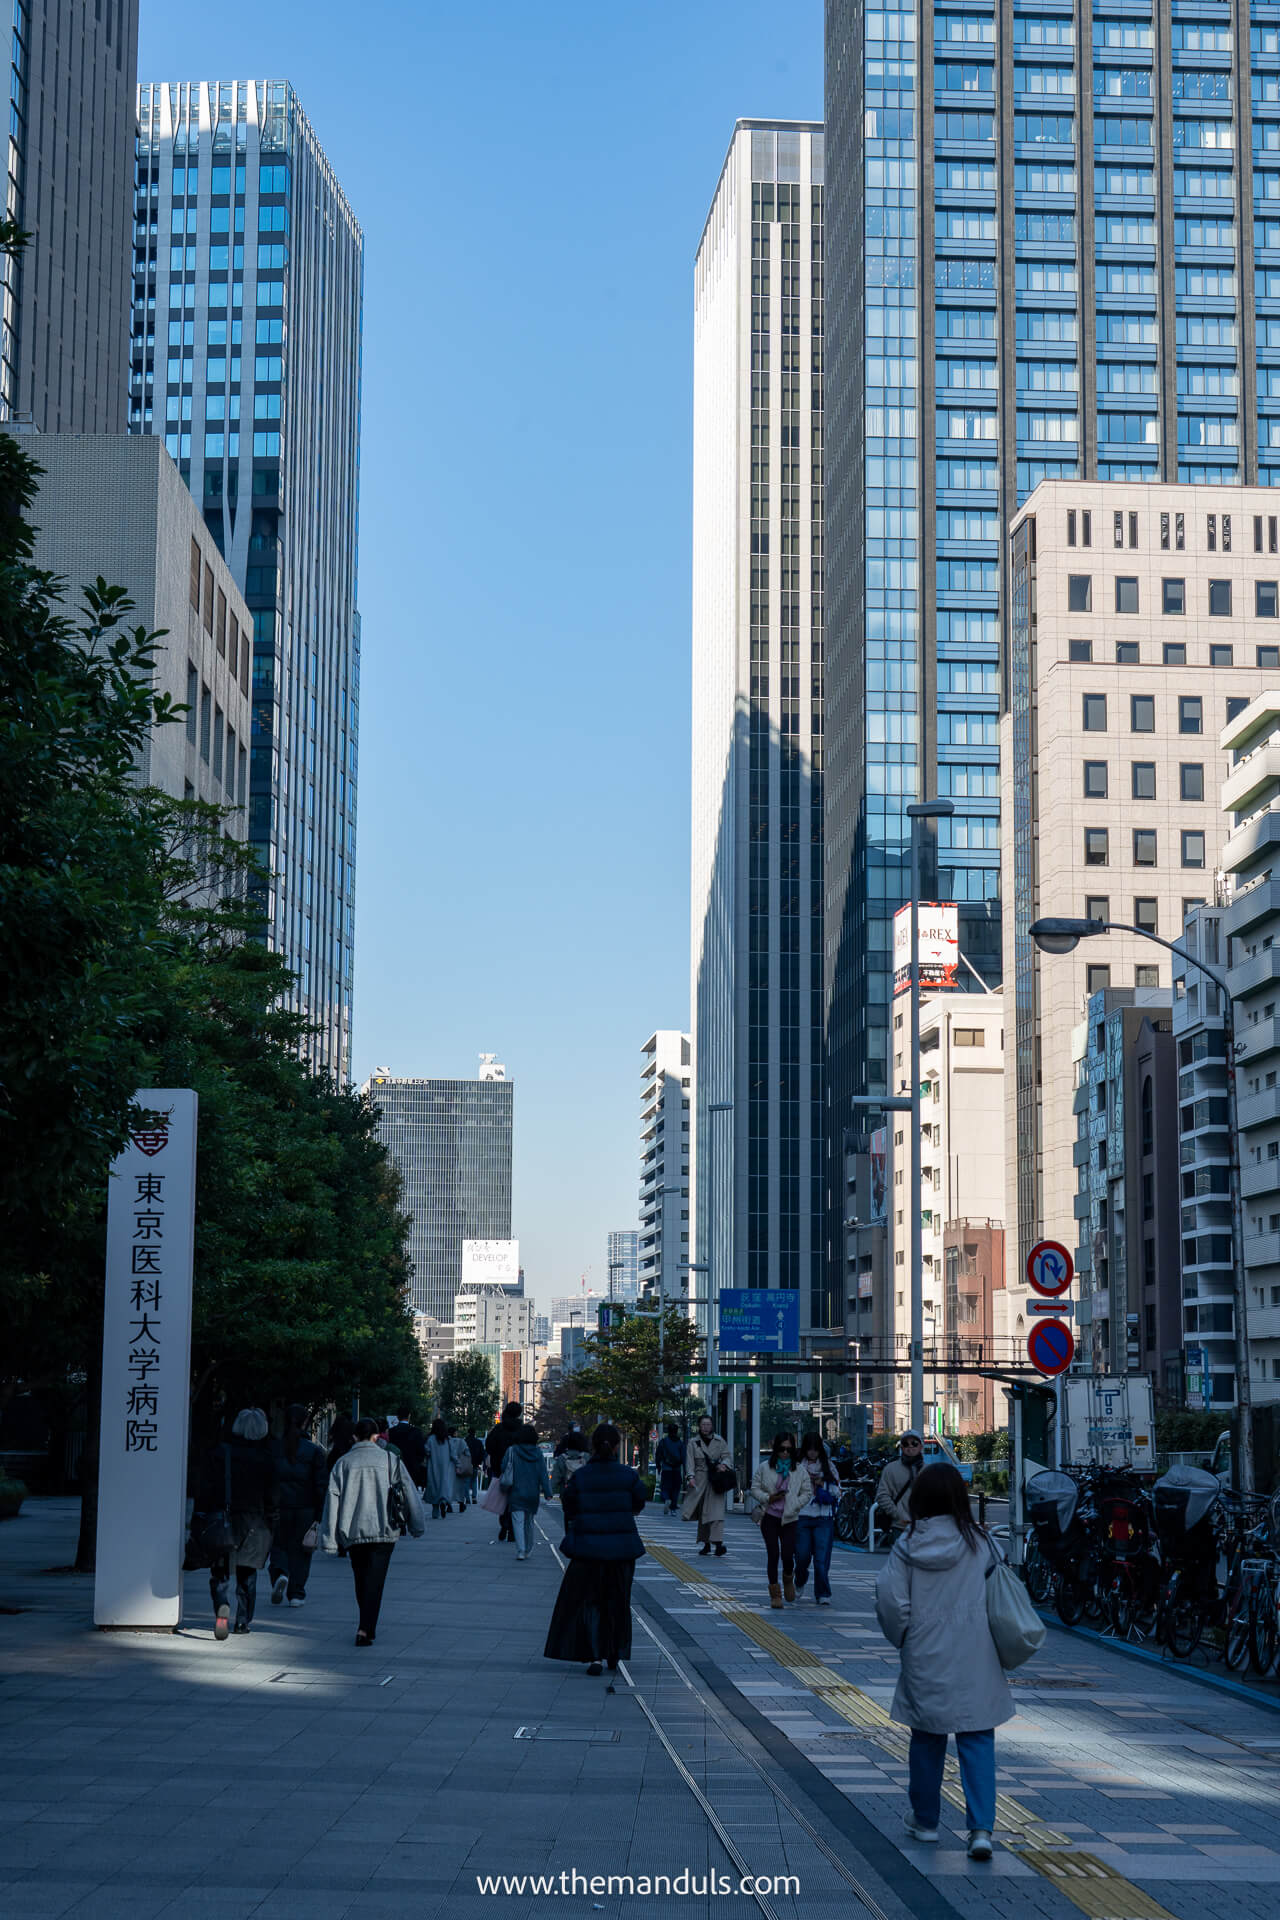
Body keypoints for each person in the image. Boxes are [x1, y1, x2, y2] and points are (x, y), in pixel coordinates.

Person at [874, 1462, 1011, 1863]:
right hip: (975, 1651)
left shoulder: (907, 1545)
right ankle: (981, 1830)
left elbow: (889, 1599)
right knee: (977, 1736)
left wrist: (903, 1637)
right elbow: (1000, 1593)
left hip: (926, 1650)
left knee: (927, 1735)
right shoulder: (981, 1543)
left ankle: (926, 1821)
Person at [545, 1423, 646, 1684]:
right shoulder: (628, 1476)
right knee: (618, 1600)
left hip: (588, 1551)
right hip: (621, 1552)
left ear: (593, 1447)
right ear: (615, 1446)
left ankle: (594, 1656)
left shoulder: (582, 1476)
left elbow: (569, 1505)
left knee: (590, 1602)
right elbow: (639, 1503)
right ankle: (614, 1650)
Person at [320, 1415, 426, 1645]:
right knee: (376, 1580)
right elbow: (408, 1492)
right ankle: (366, 1628)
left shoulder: (343, 1463)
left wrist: (329, 1538)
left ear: (355, 1437)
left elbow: (332, 1500)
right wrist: (416, 1525)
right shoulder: (390, 1460)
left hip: (353, 1530)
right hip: (384, 1527)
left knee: (361, 1578)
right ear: (377, 1436)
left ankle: (365, 1625)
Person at [198, 1407, 278, 1640]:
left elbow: (206, 1489)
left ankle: (222, 1607)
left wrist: (201, 1515)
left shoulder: (220, 1455)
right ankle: (242, 1621)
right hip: (254, 1522)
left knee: (220, 1571)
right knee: (248, 1574)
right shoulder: (266, 1460)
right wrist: (272, 1526)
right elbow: (273, 1499)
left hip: (223, 1520)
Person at [268, 1405, 327, 1607]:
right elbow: (320, 1485)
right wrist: (320, 1514)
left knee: (278, 1546)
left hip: (278, 1506)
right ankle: (296, 1593)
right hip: (305, 1508)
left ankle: (279, 1574)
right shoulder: (314, 1452)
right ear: (305, 1422)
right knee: (302, 1551)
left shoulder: (274, 1448)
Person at [749, 1431, 812, 1609]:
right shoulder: (764, 1467)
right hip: (769, 1516)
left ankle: (788, 1578)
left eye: (789, 1450)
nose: (785, 1453)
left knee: (787, 1554)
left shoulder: (799, 1470)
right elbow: (754, 1488)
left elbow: (807, 1492)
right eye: (782, 1449)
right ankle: (775, 1594)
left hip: (790, 1517)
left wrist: (796, 1504)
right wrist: (769, 1498)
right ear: (775, 1449)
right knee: (773, 1554)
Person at [793, 1432, 841, 1606]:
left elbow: (838, 1492)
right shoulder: (797, 1466)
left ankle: (823, 1593)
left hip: (823, 1517)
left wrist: (823, 1484)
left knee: (821, 1559)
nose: (812, 1453)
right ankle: (800, 1579)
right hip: (802, 1515)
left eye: (815, 1449)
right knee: (802, 1556)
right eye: (809, 1449)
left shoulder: (829, 1467)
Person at [681, 1414, 733, 1556]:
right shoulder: (693, 1442)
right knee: (704, 1514)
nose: (705, 1427)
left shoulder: (719, 1440)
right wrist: (690, 1477)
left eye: (708, 1424)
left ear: (712, 1426)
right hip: (700, 1480)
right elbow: (690, 1462)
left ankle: (718, 1544)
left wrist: (724, 1465)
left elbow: (727, 1456)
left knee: (716, 1514)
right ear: (699, 1426)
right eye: (703, 1424)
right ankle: (706, 1543)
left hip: (716, 1480)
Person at [504, 1422, 553, 1558]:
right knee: (529, 1522)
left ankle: (520, 1550)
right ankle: (529, 1548)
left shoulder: (512, 1450)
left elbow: (504, 1467)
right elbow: (543, 1473)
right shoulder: (538, 1452)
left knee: (517, 1521)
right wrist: (548, 1492)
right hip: (532, 1493)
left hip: (516, 1492)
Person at [485, 1402, 524, 1543]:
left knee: (503, 1497)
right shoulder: (522, 1429)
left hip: (500, 1468)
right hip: (519, 1469)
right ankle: (513, 1529)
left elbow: (489, 1447)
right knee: (515, 1499)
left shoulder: (498, 1429)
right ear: (519, 1413)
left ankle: (504, 1523)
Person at [876, 1430, 925, 1539]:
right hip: (899, 1527)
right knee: (900, 1556)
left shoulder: (928, 1471)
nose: (910, 1447)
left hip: (924, 1527)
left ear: (921, 1447)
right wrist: (897, 1515)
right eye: (905, 1444)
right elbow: (882, 1495)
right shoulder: (890, 1469)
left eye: (915, 1443)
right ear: (901, 1448)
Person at [424, 1416, 457, 1517]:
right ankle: (443, 1501)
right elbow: (453, 1454)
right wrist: (457, 1464)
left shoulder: (430, 1439)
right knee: (444, 1485)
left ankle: (435, 1511)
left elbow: (427, 1451)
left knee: (434, 1486)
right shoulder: (448, 1439)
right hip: (446, 1468)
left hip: (433, 1467)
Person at [388, 1408, 427, 1490]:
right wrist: (417, 1461)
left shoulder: (391, 1432)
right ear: (409, 1416)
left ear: (397, 1417)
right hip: (412, 1466)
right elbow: (421, 1450)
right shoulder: (416, 1431)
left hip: (396, 1465)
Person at [549, 1427, 589, 1501]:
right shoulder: (586, 1457)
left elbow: (555, 1477)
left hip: (566, 1493)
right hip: (584, 1493)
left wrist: (549, 1493)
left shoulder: (562, 1458)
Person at [654, 1423, 684, 1516]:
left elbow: (658, 1455)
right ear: (676, 1431)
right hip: (677, 1470)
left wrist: (658, 1467)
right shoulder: (680, 1443)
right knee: (675, 1489)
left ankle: (666, 1499)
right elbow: (684, 1458)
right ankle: (673, 1509)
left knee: (664, 1487)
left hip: (666, 1469)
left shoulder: (663, 1442)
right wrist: (686, 1471)